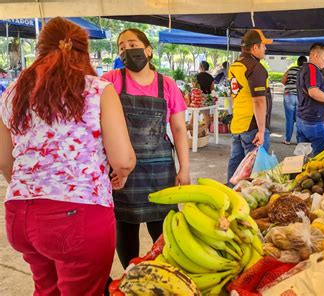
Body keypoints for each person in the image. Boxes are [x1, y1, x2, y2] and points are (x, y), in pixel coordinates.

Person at [0, 17, 136, 295]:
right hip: (78, 215)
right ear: (83, 51)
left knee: (45, 289)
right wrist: (120, 175)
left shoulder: (13, 92)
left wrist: (32, 188)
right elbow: (123, 159)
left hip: (20, 216)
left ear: (40, 49)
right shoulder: (98, 90)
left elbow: (4, 160)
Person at [102, 28, 190, 269]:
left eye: (132, 44)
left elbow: (180, 130)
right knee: (125, 226)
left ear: (148, 50)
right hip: (121, 171)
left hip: (160, 170)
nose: (126, 50)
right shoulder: (110, 81)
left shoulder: (168, 85)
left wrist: (184, 168)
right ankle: (132, 275)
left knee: (163, 231)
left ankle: (162, 274)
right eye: (121, 47)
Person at [227, 29, 273, 182]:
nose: (265, 49)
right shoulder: (255, 68)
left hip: (238, 123)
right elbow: (259, 100)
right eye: (263, 45)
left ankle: (230, 195)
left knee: (236, 166)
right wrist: (261, 130)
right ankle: (248, 202)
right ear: (255, 47)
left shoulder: (235, 65)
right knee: (255, 172)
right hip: (253, 126)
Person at [296, 43, 324, 156]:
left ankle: (300, 172)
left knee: (303, 155)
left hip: (303, 118)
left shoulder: (304, 68)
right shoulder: (311, 69)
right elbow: (313, 92)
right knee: (319, 157)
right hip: (314, 121)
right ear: (316, 55)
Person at [281, 55, 307, 145]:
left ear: (298, 62)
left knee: (289, 119)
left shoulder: (291, 69)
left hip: (289, 95)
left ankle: (287, 140)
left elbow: (283, 80)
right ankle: (299, 141)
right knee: (299, 119)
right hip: (300, 97)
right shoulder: (306, 71)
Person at [194, 60, 214, 129]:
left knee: (195, 114)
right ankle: (206, 130)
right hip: (207, 98)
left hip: (197, 98)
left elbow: (194, 87)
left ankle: (192, 130)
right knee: (206, 114)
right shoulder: (210, 77)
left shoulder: (197, 76)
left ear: (201, 67)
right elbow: (212, 88)